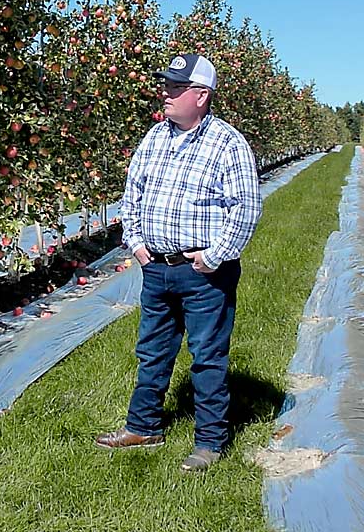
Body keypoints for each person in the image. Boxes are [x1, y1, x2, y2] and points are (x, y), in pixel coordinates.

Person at [96, 53, 262, 471]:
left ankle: (209, 441)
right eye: (166, 85)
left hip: (203, 272)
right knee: (152, 351)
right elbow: (132, 194)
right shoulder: (155, 137)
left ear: (201, 96)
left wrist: (214, 257)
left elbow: (245, 208)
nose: (165, 94)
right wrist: (135, 243)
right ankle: (143, 425)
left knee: (206, 355)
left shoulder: (227, 143)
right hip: (156, 267)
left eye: (175, 87)